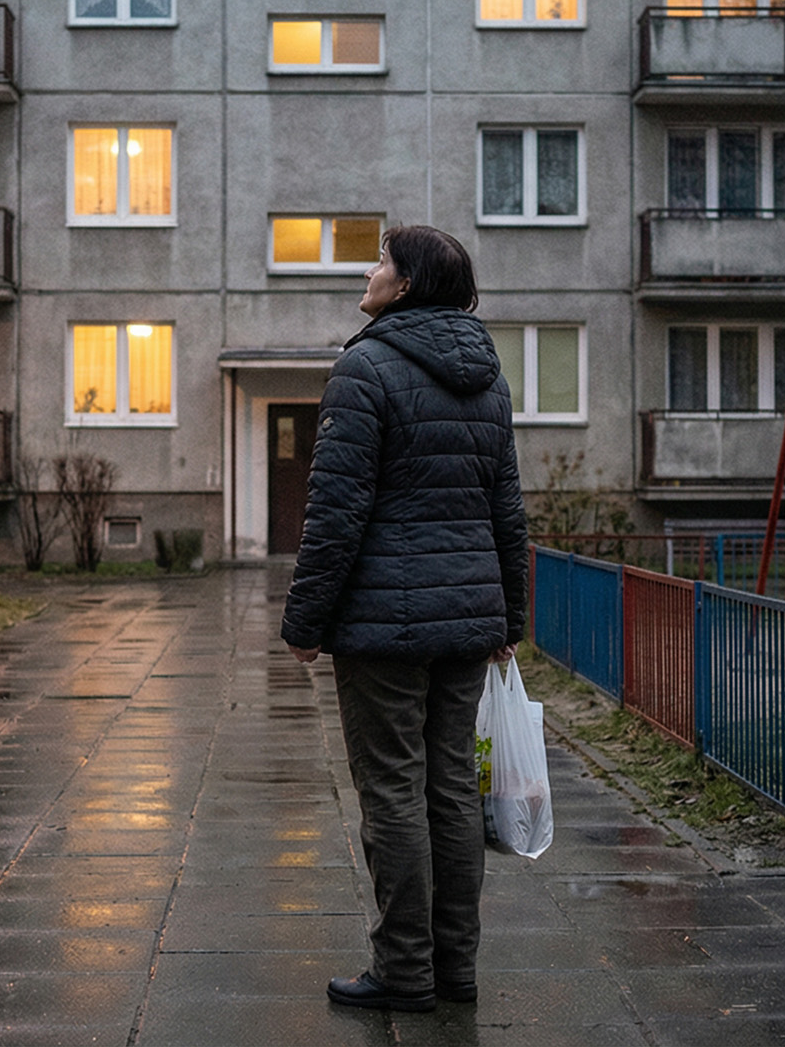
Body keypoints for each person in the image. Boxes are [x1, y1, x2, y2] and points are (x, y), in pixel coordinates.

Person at [280, 224, 529, 1013]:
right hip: (466, 619)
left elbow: (336, 509)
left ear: (409, 283)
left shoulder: (366, 367)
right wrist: (510, 618)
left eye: (382, 259)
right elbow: (506, 510)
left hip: (382, 627)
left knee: (392, 789)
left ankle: (404, 972)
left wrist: (305, 620)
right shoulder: (488, 381)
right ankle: (455, 970)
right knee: (452, 788)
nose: (369, 268)